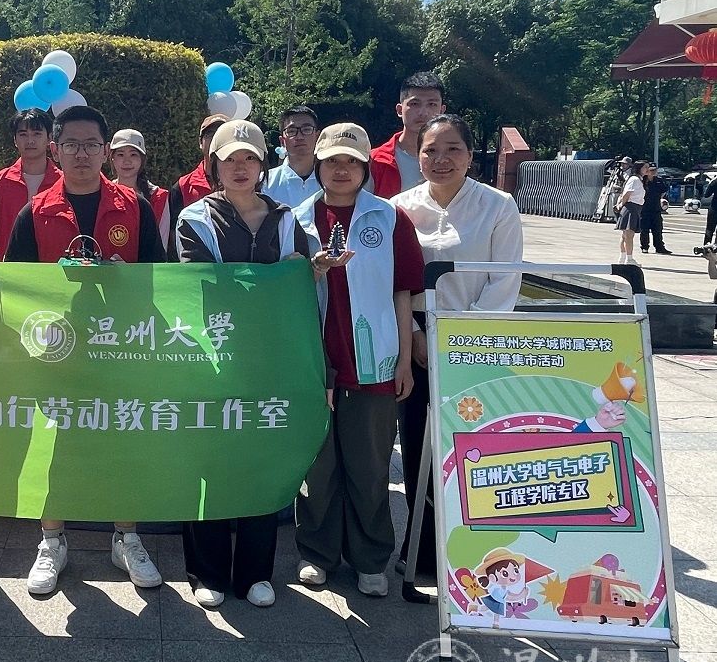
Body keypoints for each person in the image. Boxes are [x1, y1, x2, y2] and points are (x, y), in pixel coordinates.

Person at [4, 105, 166, 594]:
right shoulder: (35, 212)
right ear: (56, 149)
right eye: (71, 144)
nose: (81, 154)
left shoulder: (134, 207)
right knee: (53, 447)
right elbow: (14, 287)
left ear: (105, 150)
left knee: (122, 444)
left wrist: (126, 279)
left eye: (91, 144)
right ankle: (52, 541)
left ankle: (126, 537)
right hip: (58, 351)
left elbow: (159, 279)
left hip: (119, 348)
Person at [174, 119, 310, 609]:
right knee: (208, 460)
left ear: (262, 164)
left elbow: (298, 283)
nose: (240, 167)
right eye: (230, 158)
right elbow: (201, 282)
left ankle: (256, 572)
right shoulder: (195, 218)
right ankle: (205, 571)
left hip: (269, 358)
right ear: (214, 164)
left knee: (261, 461)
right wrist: (273, 278)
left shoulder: (285, 218)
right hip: (213, 356)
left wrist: (294, 275)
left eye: (249, 157)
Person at [291, 123, 423, 597]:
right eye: (332, 161)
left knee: (370, 469)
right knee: (318, 468)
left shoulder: (388, 217)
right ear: (318, 165)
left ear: (366, 167)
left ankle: (370, 558)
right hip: (314, 362)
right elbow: (284, 287)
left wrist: (404, 359)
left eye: (351, 161)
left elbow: (403, 292)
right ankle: (317, 553)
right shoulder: (296, 219)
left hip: (375, 362)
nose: (341, 169)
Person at [392, 114, 523, 576]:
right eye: (431, 150)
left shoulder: (498, 206)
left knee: (471, 452)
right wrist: (415, 336)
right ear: (418, 155)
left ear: (470, 156)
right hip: (415, 342)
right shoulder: (400, 208)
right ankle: (421, 551)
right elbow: (395, 282)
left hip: (475, 348)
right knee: (417, 447)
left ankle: (474, 556)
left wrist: (460, 342)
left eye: (453, 150)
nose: (441, 159)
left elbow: (504, 281)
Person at [0, 110, 61, 258]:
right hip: (11, 265)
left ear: (49, 138)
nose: (30, 141)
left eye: (37, 134)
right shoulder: (0, 181)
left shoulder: (63, 181)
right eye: (23, 134)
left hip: (52, 265)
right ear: (15, 140)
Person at [370, 72, 447, 199]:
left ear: (442, 111)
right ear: (400, 110)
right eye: (415, 104)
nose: (423, 112)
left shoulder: (454, 159)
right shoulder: (375, 161)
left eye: (432, 104)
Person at [166, 113, 230, 255]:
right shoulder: (182, 186)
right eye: (210, 134)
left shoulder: (246, 183)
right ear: (200, 142)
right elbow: (173, 236)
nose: (215, 139)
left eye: (222, 133)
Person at [109, 128, 170, 249]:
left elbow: (160, 247)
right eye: (120, 154)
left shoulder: (158, 197)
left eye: (133, 154)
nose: (127, 161)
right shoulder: (102, 193)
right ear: (112, 159)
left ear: (142, 160)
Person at [262, 104, 321, 208]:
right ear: (282, 140)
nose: (299, 137)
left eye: (306, 129)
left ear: (317, 136)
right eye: (292, 131)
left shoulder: (330, 180)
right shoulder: (265, 182)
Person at [616, 161, 648, 265]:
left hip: (635, 207)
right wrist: (621, 204)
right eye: (645, 167)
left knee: (625, 235)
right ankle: (629, 259)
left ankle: (623, 258)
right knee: (629, 235)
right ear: (639, 168)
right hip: (631, 207)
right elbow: (627, 193)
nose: (647, 169)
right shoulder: (635, 179)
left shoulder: (639, 180)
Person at [639, 162, 671, 255]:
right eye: (651, 170)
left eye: (655, 170)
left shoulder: (659, 180)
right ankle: (644, 247)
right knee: (644, 229)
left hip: (656, 209)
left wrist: (659, 198)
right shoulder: (642, 181)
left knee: (658, 229)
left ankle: (659, 247)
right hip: (644, 209)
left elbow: (664, 190)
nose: (653, 172)